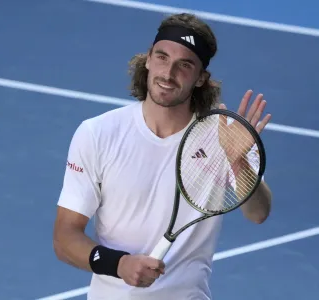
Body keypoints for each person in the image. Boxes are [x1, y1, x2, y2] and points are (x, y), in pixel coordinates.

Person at [53, 13, 273, 300]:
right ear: (147, 59)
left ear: (200, 79)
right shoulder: (97, 134)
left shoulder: (223, 137)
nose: (168, 74)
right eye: (162, 57)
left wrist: (237, 161)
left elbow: (258, 213)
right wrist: (118, 264)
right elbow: (64, 238)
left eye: (184, 65)